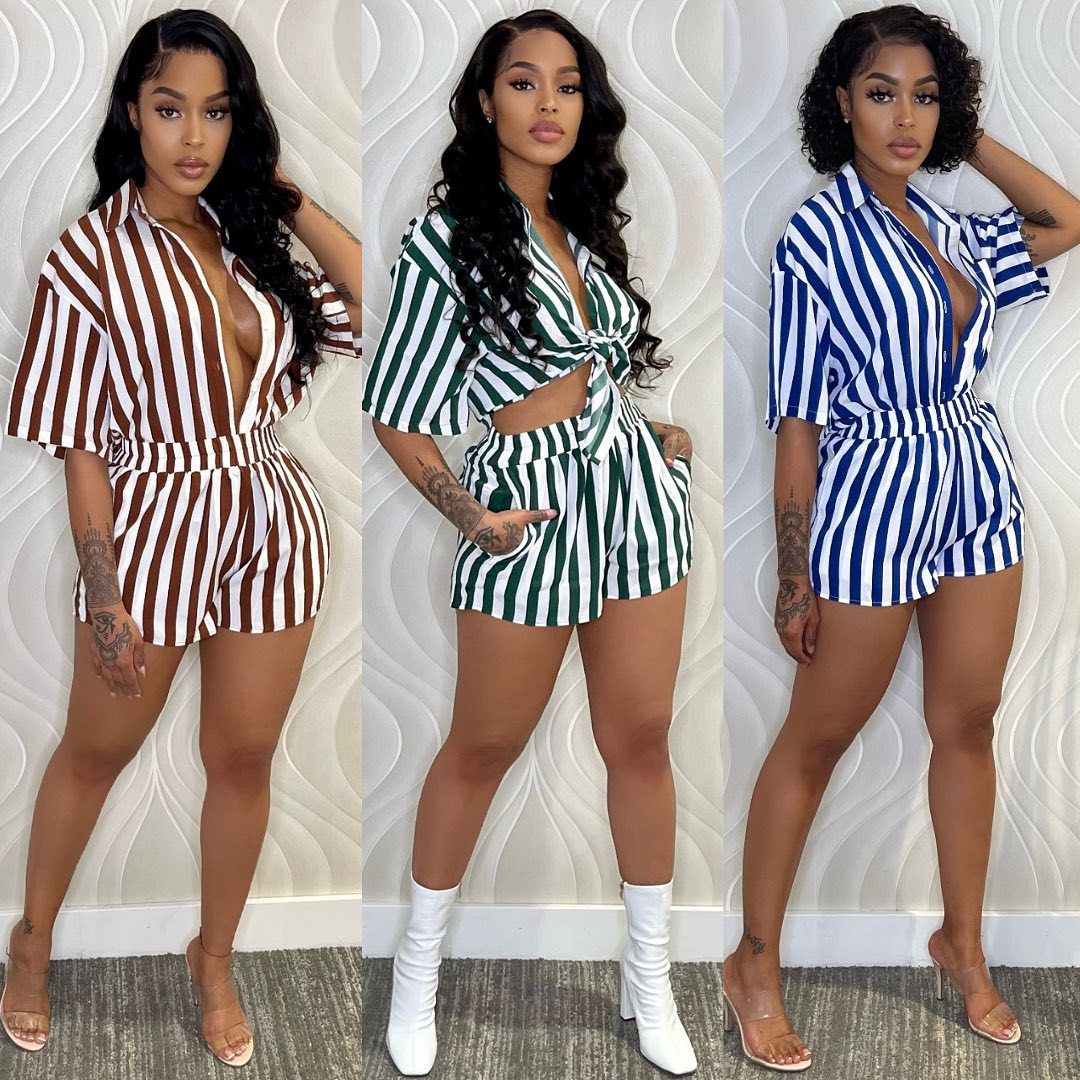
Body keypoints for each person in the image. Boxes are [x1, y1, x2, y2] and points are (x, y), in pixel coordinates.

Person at [722, 4, 1080, 1072]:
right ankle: (753, 962)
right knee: (816, 738)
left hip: (974, 484)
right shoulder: (816, 236)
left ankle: (962, 943)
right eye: (882, 94)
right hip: (872, 494)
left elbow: (1063, 218)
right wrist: (794, 577)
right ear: (842, 103)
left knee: (968, 721)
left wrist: (968, 139)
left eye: (926, 97)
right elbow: (797, 421)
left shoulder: (951, 224)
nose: (905, 118)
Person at [1, 10, 360, 1067]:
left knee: (241, 757)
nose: (193, 136)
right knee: (94, 752)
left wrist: (278, 189)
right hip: (154, 524)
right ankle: (31, 944)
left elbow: (365, 299)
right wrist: (105, 595)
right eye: (170, 109)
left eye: (217, 111)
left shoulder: (248, 234)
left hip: (272, 519)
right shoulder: (90, 255)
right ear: (132, 113)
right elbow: (79, 445)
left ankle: (215, 958)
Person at [363, 9, 696, 1076]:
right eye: (522, 81)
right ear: (483, 102)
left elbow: (595, 375)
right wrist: (472, 516)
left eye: (567, 84)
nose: (548, 102)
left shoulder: (584, 232)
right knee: (482, 745)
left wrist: (654, 435)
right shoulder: (447, 238)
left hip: (634, 503)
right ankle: (418, 972)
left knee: (641, 738)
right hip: (530, 513)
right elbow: (396, 411)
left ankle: (650, 981)